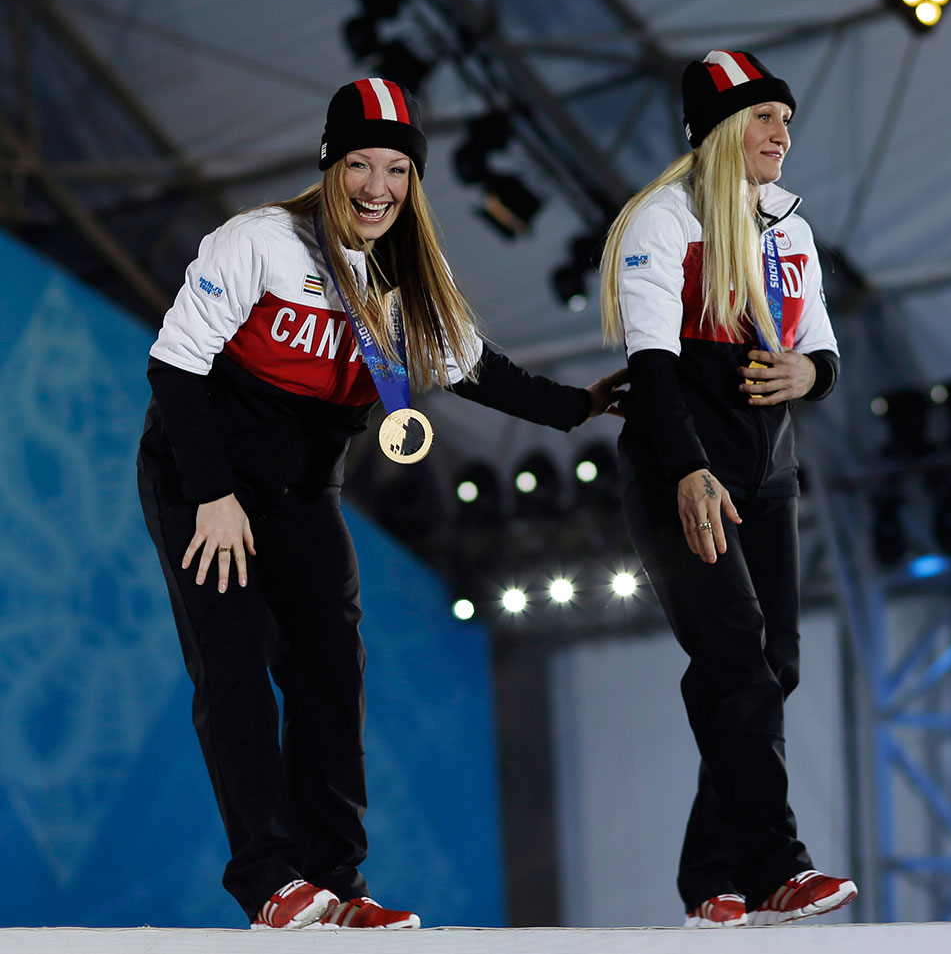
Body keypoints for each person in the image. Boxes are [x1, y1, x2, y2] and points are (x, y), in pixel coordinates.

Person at [137, 77, 626, 930]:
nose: (377, 187)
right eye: (360, 164)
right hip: (202, 475)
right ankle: (270, 881)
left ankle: (336, 881)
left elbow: (481, 370)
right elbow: (175, 367)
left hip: (304, 493)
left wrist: (579, 405)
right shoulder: (259, 241)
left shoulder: (408, 284)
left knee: (332, 667)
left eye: (397, 169)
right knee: (235, 666)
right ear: (331, 166)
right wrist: (212, 494)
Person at [598, 50, 855, 927]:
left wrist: (808, 375)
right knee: (736, 654)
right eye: (763, 118)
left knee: (774, 664)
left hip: (769, 471)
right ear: (717, 131)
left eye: (786, 119)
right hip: (684, 472)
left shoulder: (789, 225)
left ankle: (712, 874)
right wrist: (687, 470)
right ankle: (779, 866)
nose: (782, 134)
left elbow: (822, 347)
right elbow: (652, 366)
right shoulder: (662, 221)